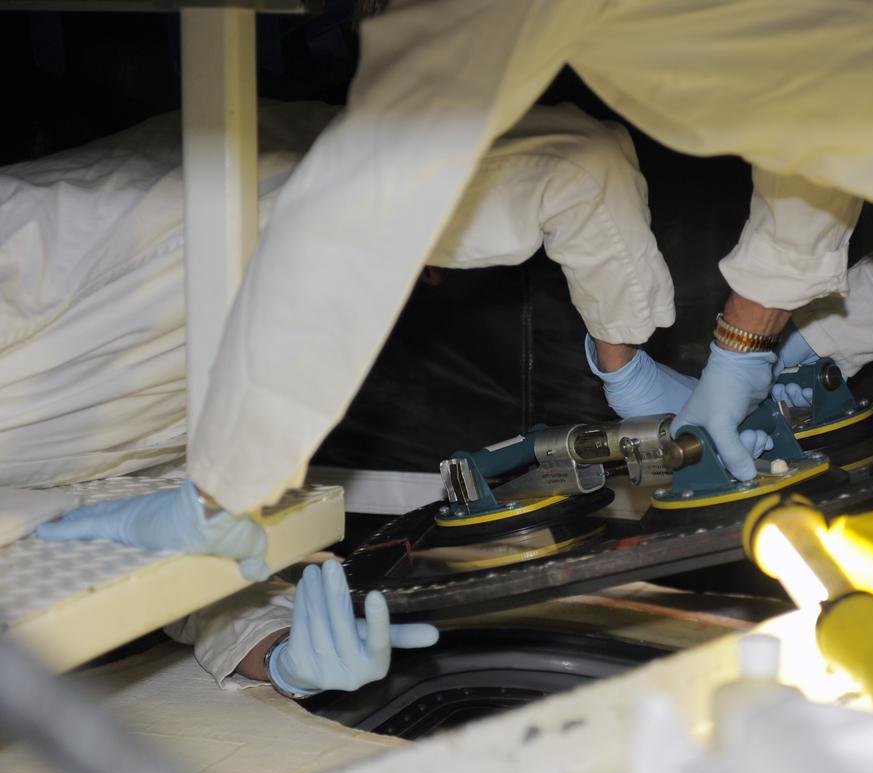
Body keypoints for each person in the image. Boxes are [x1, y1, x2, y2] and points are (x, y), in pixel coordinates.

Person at [32, 0, 873, 773]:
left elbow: (367, 204)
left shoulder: (61, 245)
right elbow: (834, 101)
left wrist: (220, 492)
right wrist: (255, 643)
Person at [9, 98, 674, 692]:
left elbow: (570, 167)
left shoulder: (52, 243)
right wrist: (280, 653)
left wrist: (625, 361)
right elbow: (181, 564)